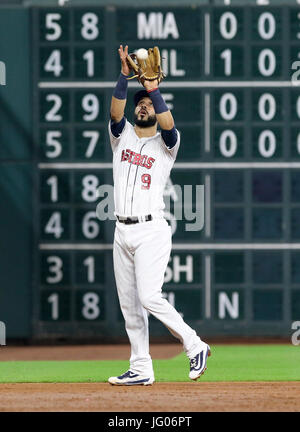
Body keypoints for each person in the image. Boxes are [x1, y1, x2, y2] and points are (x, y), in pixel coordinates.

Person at [107, 45, 210, 386]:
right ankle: (141, 367)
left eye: (148, 105)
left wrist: (153, 89)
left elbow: (169, 123)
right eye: (141, 103)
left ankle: (194, 344)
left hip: (151, 230)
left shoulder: (167, 145)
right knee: (131, 307)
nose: (143, 107)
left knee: (150, 296)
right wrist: (124, 75)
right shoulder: (120, 139)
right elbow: (115, 111)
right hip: (122, 231)